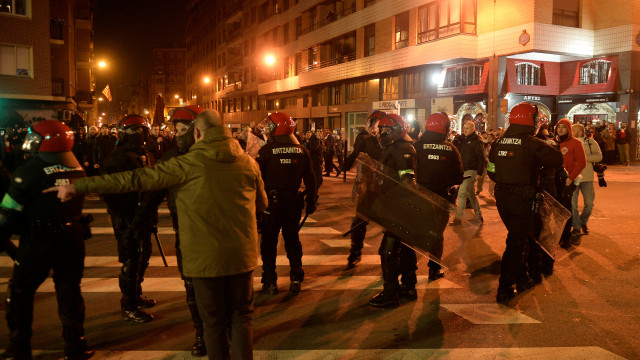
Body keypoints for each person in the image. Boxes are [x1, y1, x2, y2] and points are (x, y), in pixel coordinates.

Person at [47, 110, 268, 360]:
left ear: (197, 133)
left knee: (213, 323)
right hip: (242, 256)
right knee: (241, 319)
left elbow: (134, 180)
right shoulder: (249, 163)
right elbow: (261, 204)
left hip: (204, 258)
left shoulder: (186, 164)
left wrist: (79, 186)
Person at [0, 120, 94, 360]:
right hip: (72, 238)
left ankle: (19, 348)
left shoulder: (28, 170)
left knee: (21, 292)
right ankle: (76, 345)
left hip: (38, 240)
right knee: (69, 290)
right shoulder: (76, 167)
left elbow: (9, 212)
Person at [488, 103, 563, 303]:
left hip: (502, 197)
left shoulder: (498, 143)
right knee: (516, 242)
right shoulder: (532, 143)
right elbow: (557, 160)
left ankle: (522, 279)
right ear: (530, 121)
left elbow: (491, 171)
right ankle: (505, 287)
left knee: (516, 236)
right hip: (523, 197)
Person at [102, 115, 161, 323]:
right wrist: (128, 214)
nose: (141, 135)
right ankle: (129, 305)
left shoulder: (147, 154)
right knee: (131, 259)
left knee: (144, 255)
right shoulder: (116, 158)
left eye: (143, 131)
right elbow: (110, 192)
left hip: (143, 215)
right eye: (137, 131)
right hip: (126, 216)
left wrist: (149, 211)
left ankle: (135, 294)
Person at [160, 105, 207, 356]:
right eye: (175, 129)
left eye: (182, 129)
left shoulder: (221, 154)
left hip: (215, 232)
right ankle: (200, 332)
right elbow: (153, 188)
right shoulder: (170, 158)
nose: (177, 134)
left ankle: (218, 329)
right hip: (185, 232)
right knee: (191, 286)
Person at [255, 112, 317, 295]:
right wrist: (311, 201)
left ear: (277, 129)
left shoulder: (266, 151)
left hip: (271, 204)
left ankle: (270, 281)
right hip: (293, 203)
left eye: (270, 126)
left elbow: (257, 180)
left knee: (268, 243)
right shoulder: (302, 151)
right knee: (292, 241)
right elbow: (312, 180)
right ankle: (296, 276)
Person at [367, 113, 418, 308]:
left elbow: (407, 180)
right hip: (395, 206)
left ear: (396, 131)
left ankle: (391, 293)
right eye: (380, 130)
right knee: (405, 249)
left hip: (399, 207)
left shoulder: (404, 148)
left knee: (387, 251)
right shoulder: (396, 147)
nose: (381, 133)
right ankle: (408, 286)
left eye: (385, 130)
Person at [414, 112, 464, 282]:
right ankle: (434, 269)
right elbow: (458, 176)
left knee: (414, 232)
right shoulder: (450, 148)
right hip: (440, 197)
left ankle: (409, 267)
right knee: (437, 235)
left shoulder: (416, 146)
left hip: (417, 195)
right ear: (445, 128)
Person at [341, 112, 384, 269]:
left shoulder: (393, 142)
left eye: (382, 125)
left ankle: (394, 255)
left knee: (393, 226)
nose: (378, 128)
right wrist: (345, 165)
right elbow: (355, 154)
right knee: (359, 221)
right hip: (370, 186)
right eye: (376, 124)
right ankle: (355, 253)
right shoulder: (367, 140)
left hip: (387, 189)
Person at [555, 118, 586, 247]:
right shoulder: (553, 143)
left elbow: (582, 163)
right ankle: (557, 235)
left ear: (569, 129)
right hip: (554, 180)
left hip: (567, 181)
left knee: (566, 209)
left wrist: (570, 178)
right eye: (559, 126)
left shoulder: (576, 143)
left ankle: (566, 237)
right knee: (555, 210)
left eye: (564, 127)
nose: (560, 129)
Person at [571, 123, 602, 237]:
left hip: (587, 178)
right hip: (573, 177)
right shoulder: (570, 143)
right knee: (573, 205)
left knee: (589, 204)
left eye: (573, 130)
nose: (571, 131)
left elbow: (599, 156)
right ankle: (576, 227)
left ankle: (583, 222)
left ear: (580, 132)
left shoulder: (590, 142)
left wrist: (583, 158)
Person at [452, 121, 485, 224]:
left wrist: (479, 172)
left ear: (472, 129)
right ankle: (479, 216)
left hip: (471, 170)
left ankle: (458, 218)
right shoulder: (464, 140)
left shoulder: (476, 141)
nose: (464, 130)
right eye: (464, 128)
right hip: (465, 170)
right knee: (471, 194)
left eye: (467, 128)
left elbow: (481, 158)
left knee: (462, 193)